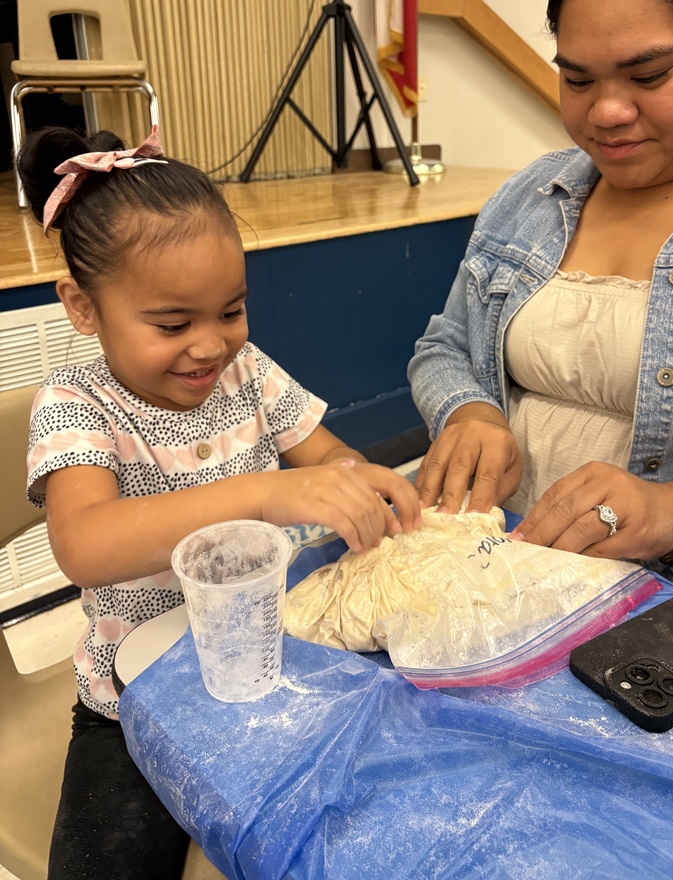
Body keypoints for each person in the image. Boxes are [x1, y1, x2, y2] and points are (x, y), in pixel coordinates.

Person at [18, 125, 422, 880]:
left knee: (354, 824)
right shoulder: (75, 406)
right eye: (173, 324)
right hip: (133, 706)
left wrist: (355, 478)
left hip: (277, 663)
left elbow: (327, 454)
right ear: (82, 306)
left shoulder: (250, 376)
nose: (210, 346)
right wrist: (267, 491)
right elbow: (86, 541)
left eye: (231, 311)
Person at [408, 0, 673, 609]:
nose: (605, 112)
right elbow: (445, 346)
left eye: (647, 75)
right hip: (500, 592)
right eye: (577, 79)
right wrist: (469, 412)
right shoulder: (531, 197)